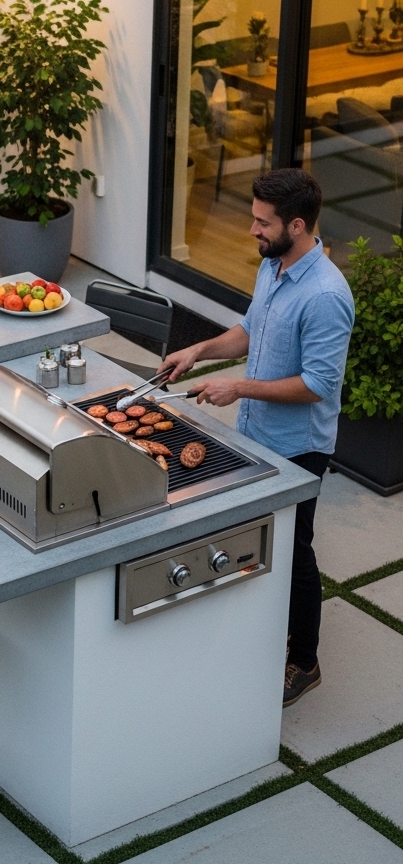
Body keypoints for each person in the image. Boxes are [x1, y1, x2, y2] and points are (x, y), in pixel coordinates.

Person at [161, 168, 355, 707]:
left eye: (262, 222)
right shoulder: (274, 265)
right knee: (258, 538)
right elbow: (250, 331)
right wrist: (198, 352)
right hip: (257, 433)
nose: (252, 230)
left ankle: (304, 661)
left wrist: (239, 387)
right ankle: (263, 628)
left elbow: (317, 385)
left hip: (300, 448)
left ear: (297, 225)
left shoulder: (325, 296)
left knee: (294, 550)